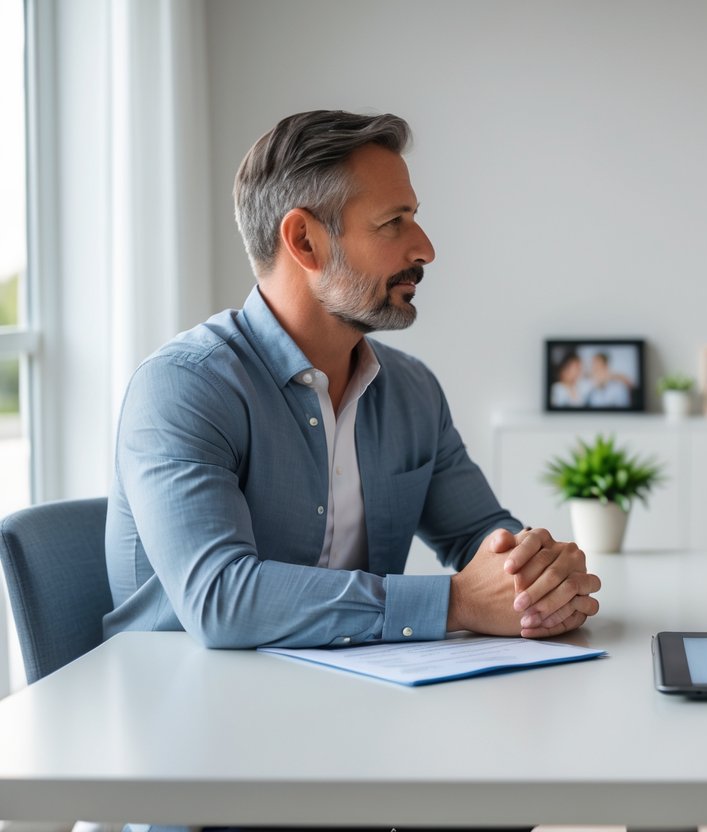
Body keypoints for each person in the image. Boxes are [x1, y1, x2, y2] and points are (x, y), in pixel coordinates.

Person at [104, 110, 601, 649]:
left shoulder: (412, 391)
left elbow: (481, 534)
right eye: (393, 222)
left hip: (358, 701)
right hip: (185, 707)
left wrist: (538, 573)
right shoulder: (182, 388)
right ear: (305, 242)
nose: (425, 249)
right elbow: (223, 600)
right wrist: (456, 601)